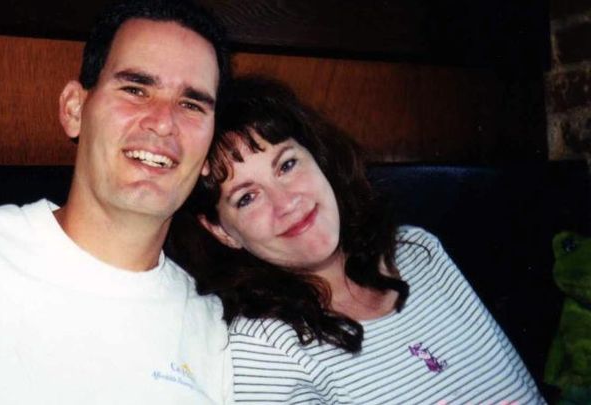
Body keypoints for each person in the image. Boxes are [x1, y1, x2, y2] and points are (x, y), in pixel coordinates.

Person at [0, 1, 233, 403]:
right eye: (135, 89)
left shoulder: (216, 334)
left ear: (209, 150)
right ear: (74, 109)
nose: (163, 122)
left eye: (191, 104)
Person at [167, 76, 545, 404]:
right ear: (220, 230)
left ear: (319, 160)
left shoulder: (419, 252)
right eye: (247, 197)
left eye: (287, 165)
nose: (287, 203)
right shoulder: (263, 348)